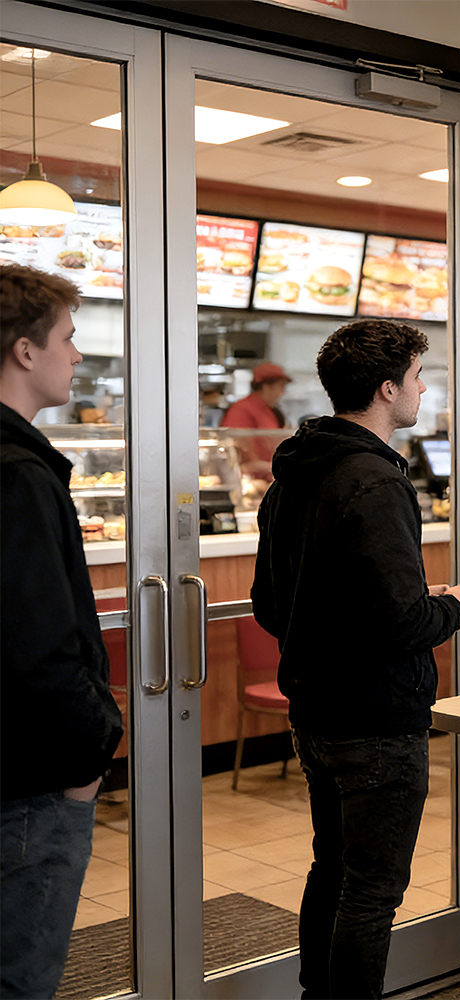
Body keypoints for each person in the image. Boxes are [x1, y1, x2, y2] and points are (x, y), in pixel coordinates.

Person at [251, 318, 460, 999]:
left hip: (315, 713)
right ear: (388, 389)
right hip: (376, 720)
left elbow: (277, 603)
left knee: (333, 871)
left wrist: (409, 596)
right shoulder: (376, 480)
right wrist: (454, 608)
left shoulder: (296, 470)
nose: (421, 389)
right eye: (417, 377)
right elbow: (401, 620)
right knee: (372, 891)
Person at [0, 263, 123, 999]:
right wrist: (91, 754)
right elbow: (37, 648)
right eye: (69, 339)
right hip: (30, 780)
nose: (77, 356)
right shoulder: (19, 474)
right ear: (24, 351)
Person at [220, 361, 291, 481]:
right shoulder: (242, 410)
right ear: (266, 386)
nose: (282, 392)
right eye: (281, 387)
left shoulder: (269, 410)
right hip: (250, 481)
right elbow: (236, 452)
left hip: (268, 479)